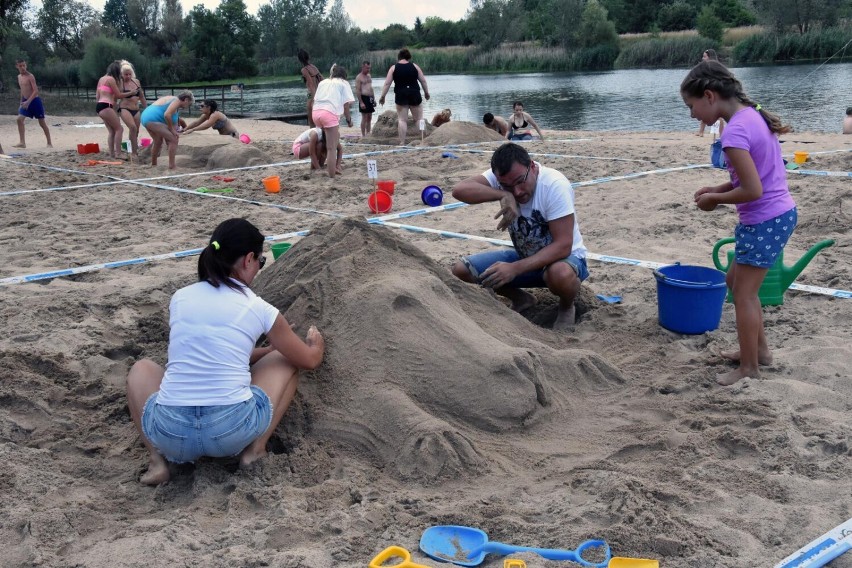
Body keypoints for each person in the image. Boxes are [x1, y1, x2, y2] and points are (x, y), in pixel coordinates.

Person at [125, 218, 325, 485]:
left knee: (141, 368)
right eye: (260, 263)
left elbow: (219, 352)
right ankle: (254, 452)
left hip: (172, 435)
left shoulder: (180, 298)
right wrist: (316, 345)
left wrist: (264, 351)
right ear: (248, 259)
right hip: (229, 431)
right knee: (286, 360)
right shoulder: (258, 306)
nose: (258, 270)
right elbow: (308, 360)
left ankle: (157, 461)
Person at [681, 60, 797, 386]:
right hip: (777, 215)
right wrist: (717, 188)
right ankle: (760, 352)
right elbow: (754, 177)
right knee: (735, 281)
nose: (692, 115)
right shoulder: (750, 115)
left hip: (765, 220)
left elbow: (753, 189)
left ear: (709, 96)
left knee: (744, 295)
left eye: (691, 106)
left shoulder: (734, 131)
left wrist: (716, 200)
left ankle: (749, 368)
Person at [450, 142, 588, 331]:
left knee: (559, 274)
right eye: (507, 185)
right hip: (526, 257)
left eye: (520, 182)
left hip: (566, 260)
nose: (517, 192)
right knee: (462, 270)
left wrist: (514, 268)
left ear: (532, 166)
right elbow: (460, 190)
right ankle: (522, 298)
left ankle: (566, 306)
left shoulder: (554, 185)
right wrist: (501, 194)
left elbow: (563, 245)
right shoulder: (504, 176)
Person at [378, 48, 430, 146]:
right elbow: (423, 80)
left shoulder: (393, 68)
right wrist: (426, 93)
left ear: (399, 57)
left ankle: (402, 142)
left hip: (401, 94)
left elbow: (387, 84)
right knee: (419, 119)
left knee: (402, 120)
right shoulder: (415, 66)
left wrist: (382, 96)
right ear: (408, 57)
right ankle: (424, 140)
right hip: (414, 93)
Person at [311, 64, 354, 178]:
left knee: (328, 141)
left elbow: (315, 99)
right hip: (328, 113)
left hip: (316, 113)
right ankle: (332, 175)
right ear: (344, 76)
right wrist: (349, 121)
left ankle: (320, 166)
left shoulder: (323, 82)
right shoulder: (343, 83)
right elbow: (346, 107)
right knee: (331, 148)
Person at [140, 90, 195, 169]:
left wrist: (175, 130)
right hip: (152, 119)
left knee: (158, 141)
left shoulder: (172, 101)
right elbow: (167, 115)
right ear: (186, 100)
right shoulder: (176, 101)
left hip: (145, 117)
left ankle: (154, 163)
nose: (188, 107)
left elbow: (171, 120)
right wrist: (171, 130)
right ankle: (172, 165)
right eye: (189, 104)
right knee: (174, 139)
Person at [96, 60, 136, 158]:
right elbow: (118, 95)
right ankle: (118, 153)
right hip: (106, 106)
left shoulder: (102, 79)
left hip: (99, 106)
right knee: (119, 129)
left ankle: (112, 153)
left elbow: (97, 95)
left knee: (112, 131)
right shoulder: (111, 79)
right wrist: (131, 93)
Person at [14, 59, 52, 149]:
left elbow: (36, 91)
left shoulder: (30, 76)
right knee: (19, 119)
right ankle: (22, 142)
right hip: (25, 100)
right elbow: (22, 90)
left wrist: (28, 102)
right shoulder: (19, 77)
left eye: (24, 65)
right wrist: (21, 102)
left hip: (34, 101)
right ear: (17, 66)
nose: (22, 67)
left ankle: (49, 143)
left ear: (26, 65)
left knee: (42, 123)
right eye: (20, 66)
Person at [118, 60, 148, 158]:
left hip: (136, 108)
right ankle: (134, 153)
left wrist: (146, 108)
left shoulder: (136, 82)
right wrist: (130, 93)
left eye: (129, 74)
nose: (128, 76)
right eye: (126, 74)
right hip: (124, 108)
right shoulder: (120, 83)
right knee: (133, 127)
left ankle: (133, 149)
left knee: (136, 130)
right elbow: (118, 95)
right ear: (122, 74)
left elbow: (142, 96)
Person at [696, 49, 725, 137]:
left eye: (704, 56)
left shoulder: (715, 68)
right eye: (703, 56)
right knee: (704, 111)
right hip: (708, 92)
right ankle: (701, 132)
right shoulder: (706, 68)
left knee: (718, 115)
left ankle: (721, 134)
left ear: (710, 57)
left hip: (715, 93)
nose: (702, 58)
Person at [298, 49, 323, 128]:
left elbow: (311, 84)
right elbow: (322, 78)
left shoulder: (304, 70)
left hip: (311, 94)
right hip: (320, 92)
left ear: (299, 60)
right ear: (308, 57)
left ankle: (312, 130)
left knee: (310, 114)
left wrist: (313, 98)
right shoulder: (313, 67)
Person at [354, 60, 375, 137]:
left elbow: (371, 88)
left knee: (370, 117)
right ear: (362, 67)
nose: (368, 70)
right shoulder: (359, 77)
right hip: (363, 98)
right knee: (364, 117)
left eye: (369, 68)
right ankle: (363, 135)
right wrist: (361, 102)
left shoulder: (369, 76)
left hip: (370, 98)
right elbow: (358, 90)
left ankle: (368, 133)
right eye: (366, 68)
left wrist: (374, 98)